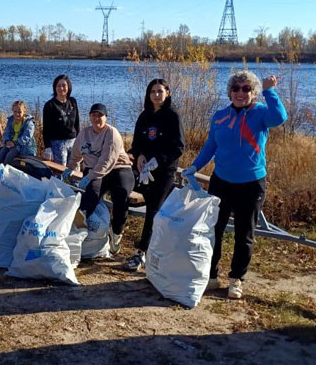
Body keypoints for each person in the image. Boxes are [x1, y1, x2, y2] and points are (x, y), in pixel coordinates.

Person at [183, 71, 287, 299]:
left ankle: (236, 279)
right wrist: (194, 166)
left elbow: (280, 118)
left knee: (244, 234)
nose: (241, 93)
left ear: (254, 92)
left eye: (246, 89)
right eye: (236, 88)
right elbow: (211, 145)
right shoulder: (220, 116)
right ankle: (210, 276)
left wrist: (270, 92)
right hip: (221, 182)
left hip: (251, 183)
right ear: (230, 91)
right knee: (213, 230)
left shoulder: (261, 113)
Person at [125, 79, 185, 270]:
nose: (156, 95)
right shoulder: (145, 116)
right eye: (153, 91)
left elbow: (179, 147)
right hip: (144, 170)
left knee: (153, 210)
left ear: (167, 92)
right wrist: (139, 156)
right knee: (121, 189)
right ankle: (114, 234)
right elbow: (136, 144)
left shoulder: (173, 116)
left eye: (160, 91)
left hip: (164, 171)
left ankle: (141, 252)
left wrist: (158, 160)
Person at [66, 104, 134, 254]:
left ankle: (116, 232)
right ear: (90, 116)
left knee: (121, 194)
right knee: (92, 192)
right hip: (94, 170)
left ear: (106, 117)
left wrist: (89, 176)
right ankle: (79, 225)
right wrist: (71, 167)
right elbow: (76, 153)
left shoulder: (111, 133)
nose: (96, 118)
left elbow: (107, 161)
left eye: (100, 115)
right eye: (93, 115)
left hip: (118, 168)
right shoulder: (84, 133)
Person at [42, 74, 80, 165]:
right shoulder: (50, 105)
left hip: (73, 141)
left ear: (68, 87)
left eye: (64, 85)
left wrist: (79, 141)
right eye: (58, 86)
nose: (61, 88)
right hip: (57, 144)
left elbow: (77, 123)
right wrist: (48, 147)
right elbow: (46, 128)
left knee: (75, 170)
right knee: (61, 171)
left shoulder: (73, 101)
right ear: (55, 88)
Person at [0, 100, 36, 165]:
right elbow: (6, 132)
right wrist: (7, 141)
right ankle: (1, 170)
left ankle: (6, 171)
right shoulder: (11, 120)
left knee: (9, 156)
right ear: (12, 110)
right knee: (0, 154)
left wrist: (15, 143)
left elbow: (26, 137)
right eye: (15, 111)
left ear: (24, 112)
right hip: (11, 143)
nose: (17, 114)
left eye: (19, 112)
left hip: (22, 146)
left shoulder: (29, 123)